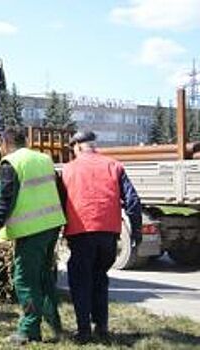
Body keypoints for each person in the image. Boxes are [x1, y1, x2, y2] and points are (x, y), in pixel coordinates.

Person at [0, 126, 66, 345]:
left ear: (5, 144)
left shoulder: (11, 163)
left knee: (24, 280)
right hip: (52, 225)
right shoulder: (44, 159)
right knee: (44, 276)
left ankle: (29, 330)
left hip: (31, 230)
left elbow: (4, 199)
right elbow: (59, 190)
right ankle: (54, 323)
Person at [61, 130, 141, 343]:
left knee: (80, 281)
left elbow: (59, 204)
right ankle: (102, 327)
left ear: (77, 147)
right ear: (93, 145)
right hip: (108, 234)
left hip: (80, 232)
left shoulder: (67, 170)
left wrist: (57, 232)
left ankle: (84, 330)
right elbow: (133, 201)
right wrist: (137, 231)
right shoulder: (114, 165)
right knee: (99, 278)